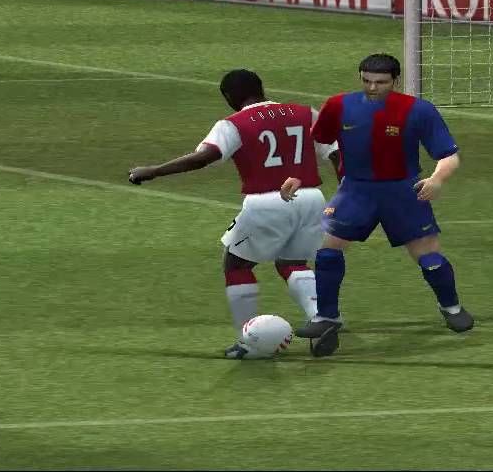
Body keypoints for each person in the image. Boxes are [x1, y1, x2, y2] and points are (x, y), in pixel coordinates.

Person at [127, 70, 339, 358]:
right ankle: (321, 317)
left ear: (228, 96)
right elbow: (336, 153)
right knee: (292, 261)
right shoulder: (306, 113)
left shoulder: (233, 124)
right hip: (311, 198)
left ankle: (249, 341)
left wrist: (153, 171)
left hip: (267, 201)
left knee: (236, 264)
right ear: (261, 88)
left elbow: (204, 157)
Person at [285, 53, 472, 358]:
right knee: (327, 253)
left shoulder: (418, 110)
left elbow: (449, 155)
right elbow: (316, 143)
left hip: (403, 192)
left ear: (395, 80)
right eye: (367, 81)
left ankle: (451, 307)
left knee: (430, 259)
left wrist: (437, 179)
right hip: (355, 190)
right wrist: (299, 175)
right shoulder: (339, 105)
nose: (372, 87)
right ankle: (328, 317)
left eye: (381, 82)